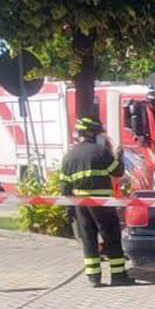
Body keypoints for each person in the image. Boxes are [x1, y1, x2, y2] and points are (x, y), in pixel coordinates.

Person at [59, 117, 131, 287]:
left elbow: (64, 187)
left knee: (88, 239)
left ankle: (94, 278)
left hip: (80, 205)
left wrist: (69, 210)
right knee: (111, 237)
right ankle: (118, 275)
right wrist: (119, 157)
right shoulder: (100, 152)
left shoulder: (69, 156)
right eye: (99, 133)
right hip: (102, 205)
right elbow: (118, 172)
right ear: (92, 134)